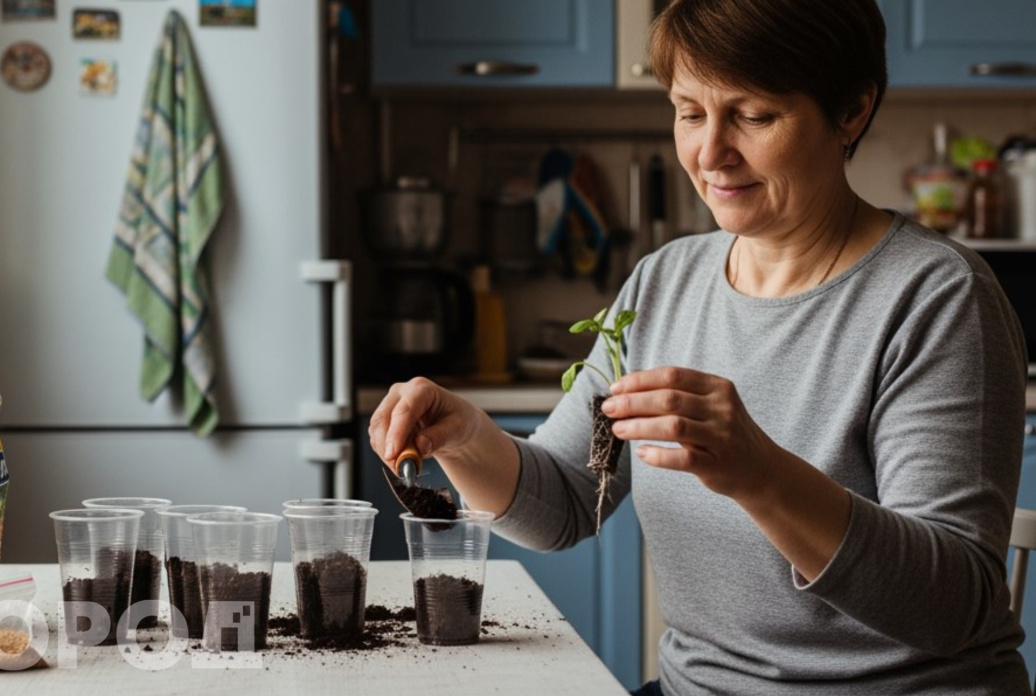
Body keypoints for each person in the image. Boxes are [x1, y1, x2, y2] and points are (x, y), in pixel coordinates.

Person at [367, 1, 1032, 694]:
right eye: (689, 112)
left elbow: (953, 605)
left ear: (852, 112)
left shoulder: (938, 299)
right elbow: (564, 500)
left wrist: (759, 472)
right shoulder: (665, 281)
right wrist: (468, 438)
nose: (710, 153)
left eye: (754, 116)